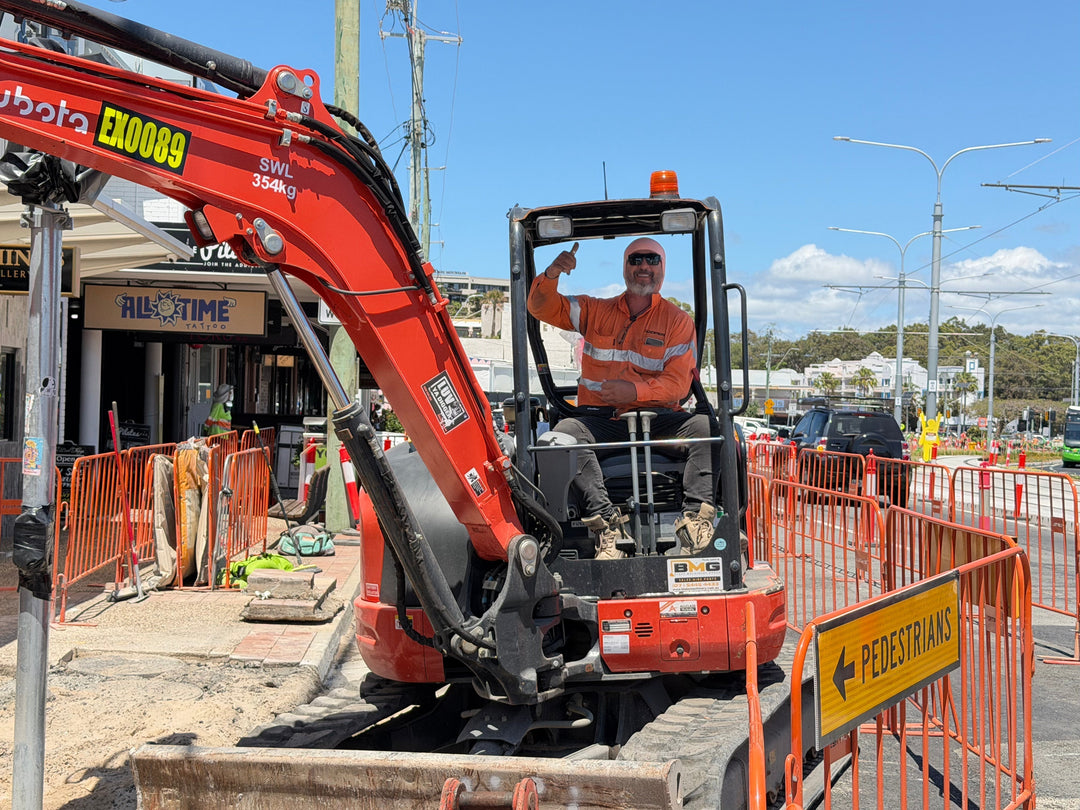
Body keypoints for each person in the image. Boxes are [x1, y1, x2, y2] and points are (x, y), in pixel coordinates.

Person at [527, 237, 717, 560]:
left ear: (662, 268)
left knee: (705, 426)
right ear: (626, 266)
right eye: (637, 260)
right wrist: (552, 273)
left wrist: (635, 392)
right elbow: (540, 307)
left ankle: (696, 522)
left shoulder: (678, 322)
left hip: (660, 420)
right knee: (566, 435)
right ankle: (608, 528)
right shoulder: (595, 311)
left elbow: (677, 384)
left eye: (652, 260)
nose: (644, 267)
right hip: (602, 420)